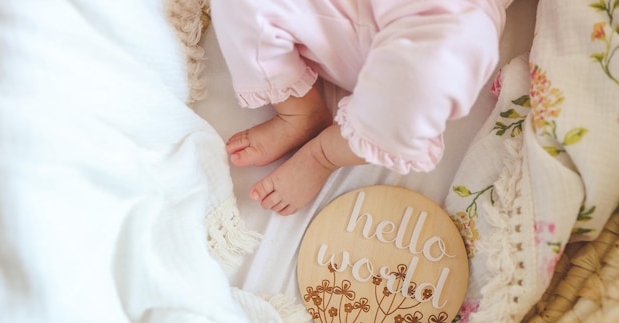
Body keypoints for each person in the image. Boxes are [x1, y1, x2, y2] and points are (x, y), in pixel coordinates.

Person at [211, 0, 512, 216]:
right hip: (348, 17)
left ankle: (324, 153)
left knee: (430, 71)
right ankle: (299, 111)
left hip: (436, 27)